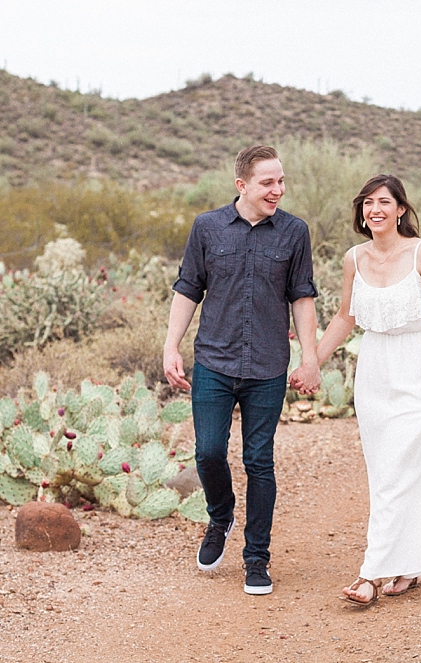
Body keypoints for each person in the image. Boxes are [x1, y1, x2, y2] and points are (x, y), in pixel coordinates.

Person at [163, 145, 321, 596]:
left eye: (282, 181)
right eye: (268, 182)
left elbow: (302, 297)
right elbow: (188, 288)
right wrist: (170, 346)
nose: (278, 190)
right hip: (214, 360)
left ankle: (257, 559)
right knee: (209, 453)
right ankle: (220, 516)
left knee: (259, 461)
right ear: (242, 186)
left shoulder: (294, 232)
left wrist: (310, 358)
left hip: (268, 365)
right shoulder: (207, 227)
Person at [301, 174, 421, 605]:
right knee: (387, 471)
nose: (376, 210)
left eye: (384, 202)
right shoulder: (354, 258)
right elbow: (345, 318)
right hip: (374, 370)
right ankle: (407, 566)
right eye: (368, 203)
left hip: (418, 366)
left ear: (401, 209)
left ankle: (371, 572)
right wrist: (312, 360)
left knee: (402, 468)